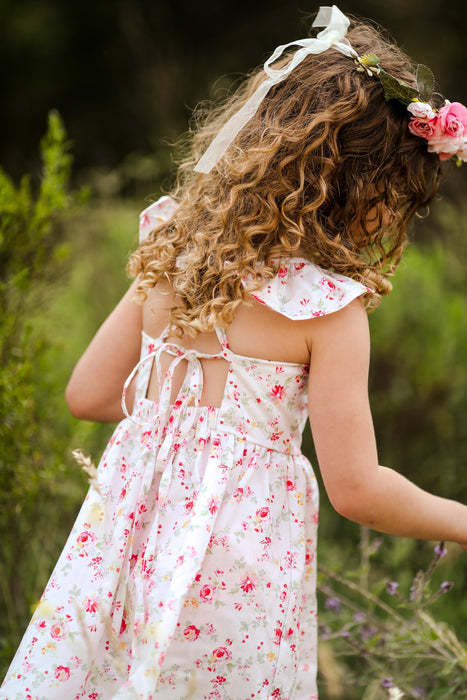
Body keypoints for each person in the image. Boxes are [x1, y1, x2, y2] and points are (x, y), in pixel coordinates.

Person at [2, 5, 467, 700]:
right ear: (365, 188)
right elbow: (358, 490)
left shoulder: (174, 251)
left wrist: (173, 426)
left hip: (121, 564)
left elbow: (90, 396)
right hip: (233, 579)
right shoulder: (326, 310)